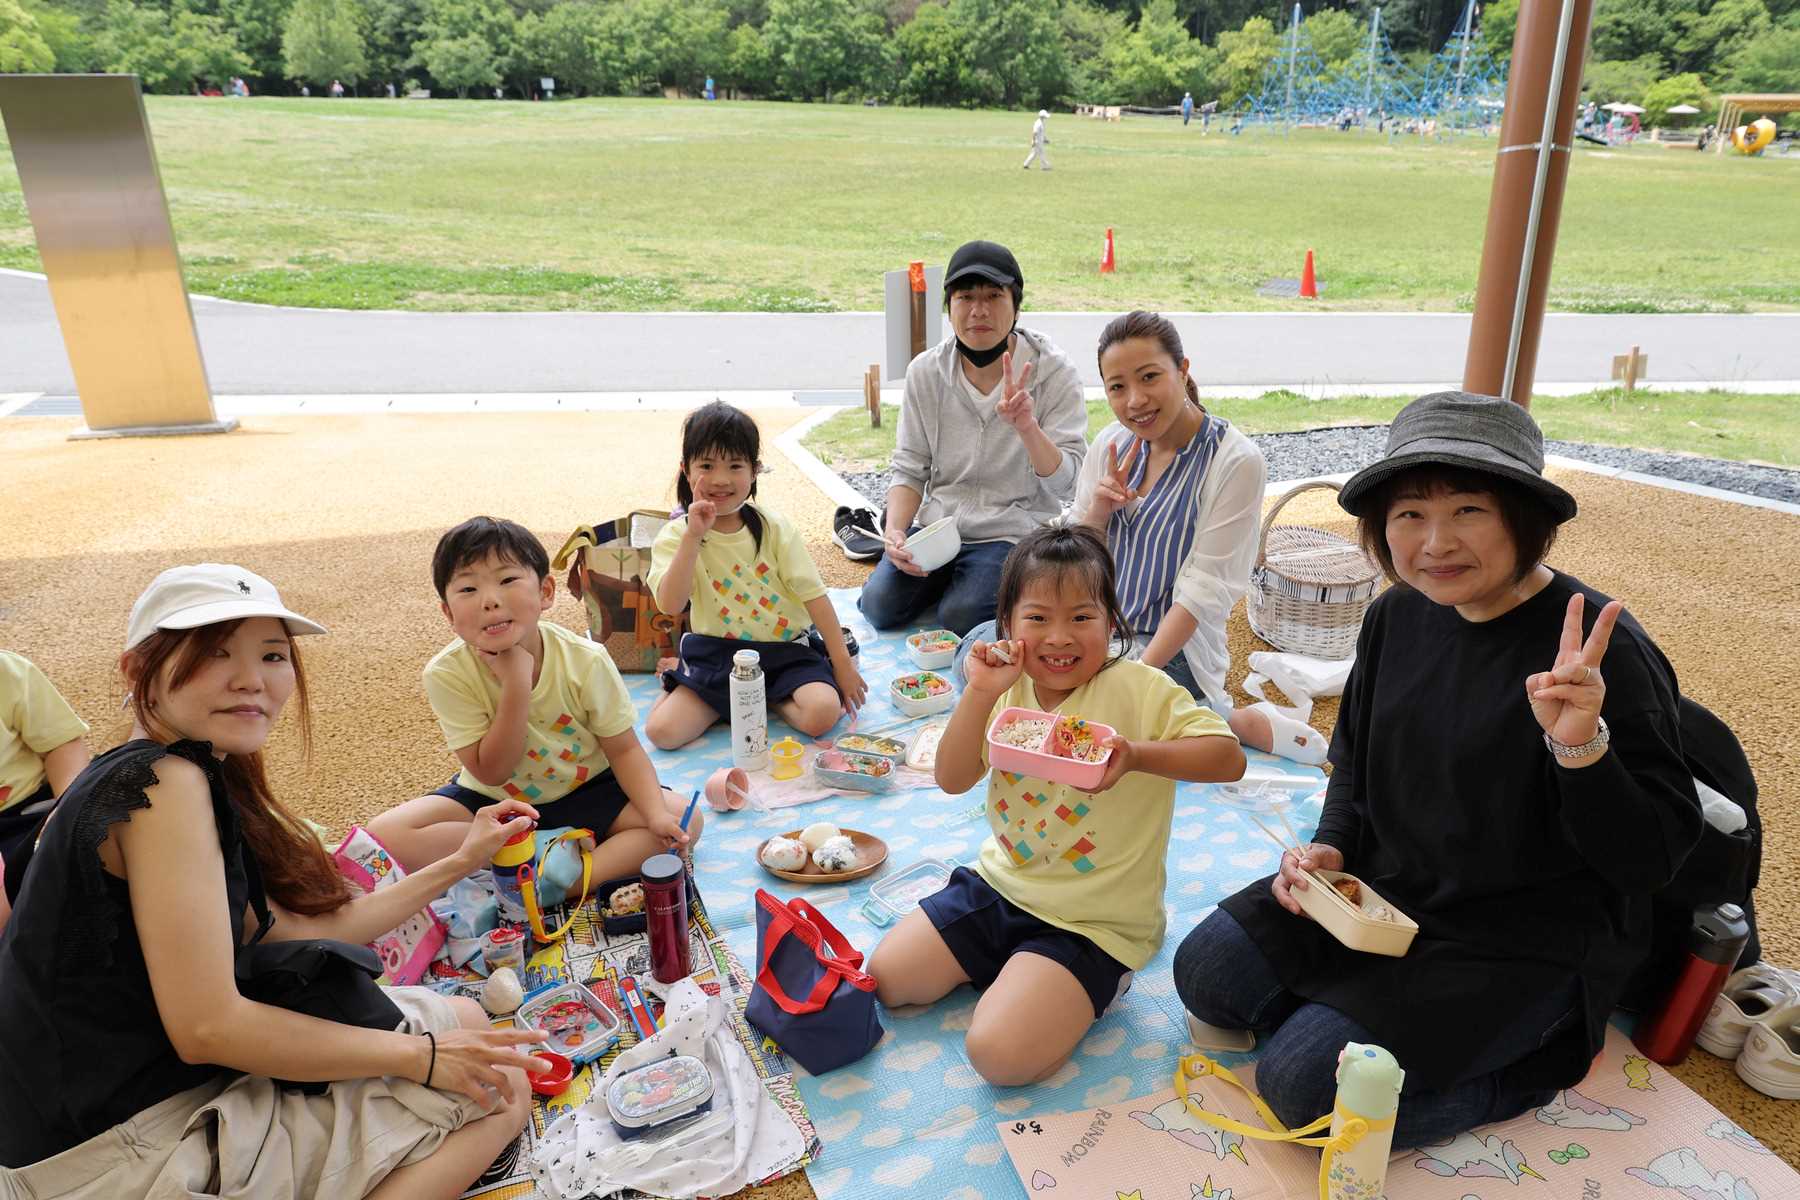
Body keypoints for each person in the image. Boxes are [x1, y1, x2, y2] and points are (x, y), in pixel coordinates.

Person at [1173, 392, 1703, 1149]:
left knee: (1303, 1090)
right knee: (1207, 974)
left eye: (1469, 511)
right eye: (1410, 514)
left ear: (1526, 519)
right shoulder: (1397, 614)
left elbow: (1647, 861)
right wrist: (1331, 849)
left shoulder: (1597, 653)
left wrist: (1581, 748)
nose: (1435, 543)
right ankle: (1356, 1014)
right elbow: (1352, 766)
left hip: (1518, 937)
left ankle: (1531, 1065)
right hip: (1386, 894)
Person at [0, 564, 551, 1194]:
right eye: (215, 653)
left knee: (471, 1022)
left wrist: (462, 859)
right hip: (111, 1151)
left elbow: (300, 931)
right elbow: (208, 1028)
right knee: (502, 1088)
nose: (251, 679)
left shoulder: (163, 771)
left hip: (107, 1104)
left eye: (271, 654)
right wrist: (421, 1060)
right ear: (135, 671)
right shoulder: (162, 786)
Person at [869, 527, 1245, 1086]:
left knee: (997, 1055)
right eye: (1038, 618)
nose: (1059, 637)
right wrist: (980, 691)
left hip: (1093, 922)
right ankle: (1020, 975)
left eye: (1082, 617)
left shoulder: (1142, 688)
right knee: (888, 979)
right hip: (1000, 887)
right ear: (1008, 624)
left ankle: (1092, 982)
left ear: (1112, 622)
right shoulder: (1005, 685)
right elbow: (951, 779)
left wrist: (1136, 756)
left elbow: (1228, 758)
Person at [957, 312, 1325, 765]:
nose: (1135, 400)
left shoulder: (1234, 461)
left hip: (1169, 650)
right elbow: (1073, 564)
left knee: (1087, 710)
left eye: (1150, 377)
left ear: (1182, 370)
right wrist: (1099, 511)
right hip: (1091, 632)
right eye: (1117, 387)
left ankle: (1223, 719)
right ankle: (1178, 714)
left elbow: (1201, 596)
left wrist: (1132, 684)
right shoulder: (1112, 443)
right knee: (974, 651)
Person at [368, 518, 699, 887]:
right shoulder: (447, 672)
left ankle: (561, 880)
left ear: (545, 592)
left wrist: (655, 815)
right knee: (383, 836)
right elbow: (492, 772)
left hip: (586, 789)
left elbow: (624, 750)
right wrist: (516, 685)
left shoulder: (586, 659)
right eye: (468, 588)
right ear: (448, 613)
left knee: (683, 821)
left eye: (507, 580)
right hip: (494, 802)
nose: (490, 600)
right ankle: (546, 856)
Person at [859, 240, 1086, 635]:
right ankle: (954, 583)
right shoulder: (926, 372)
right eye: (965, 297)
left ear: (1016, 306)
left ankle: (972, 588)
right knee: (879, 606)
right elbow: (910, 468)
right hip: (939, 528)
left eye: (994, 296)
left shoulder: (1053, 373)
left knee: (961, 617)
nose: (979, 310)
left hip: (1011, 533)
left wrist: (1028, 428)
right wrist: (895, 532)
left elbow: (1069, 483)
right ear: (949, 308)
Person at [644, 402, 866, 750]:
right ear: (686, 470)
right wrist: (693, 536)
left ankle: (761, 698)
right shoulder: (676, 536)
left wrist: (842, 664)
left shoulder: (775, 528)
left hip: (785, 653)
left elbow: (815, 597)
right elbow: (671, 604)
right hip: (717, 657)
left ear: (755, 471)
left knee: (822, 713)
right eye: (706, 466)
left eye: (735, 465)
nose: (721, 479)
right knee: (662, 732)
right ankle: (712, 687)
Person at [0, 650, 90, 930]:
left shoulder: (8, 673)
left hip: (23, 814)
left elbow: (61, 744)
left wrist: (66, 807)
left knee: (56, 878)